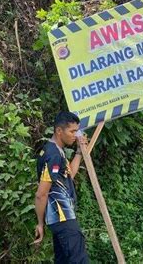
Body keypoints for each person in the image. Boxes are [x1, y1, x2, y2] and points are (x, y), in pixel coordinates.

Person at [33, 112, 89, 263]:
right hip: (62, 217)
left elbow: (69, 174)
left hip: (59, 219)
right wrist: (40, 223)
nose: (75, 135)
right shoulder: (54, 156)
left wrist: (79, 151)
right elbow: (41, 194)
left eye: (76, 131)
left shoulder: (54, 150)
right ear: (59, 131)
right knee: (80, 260)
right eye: (72, 131)